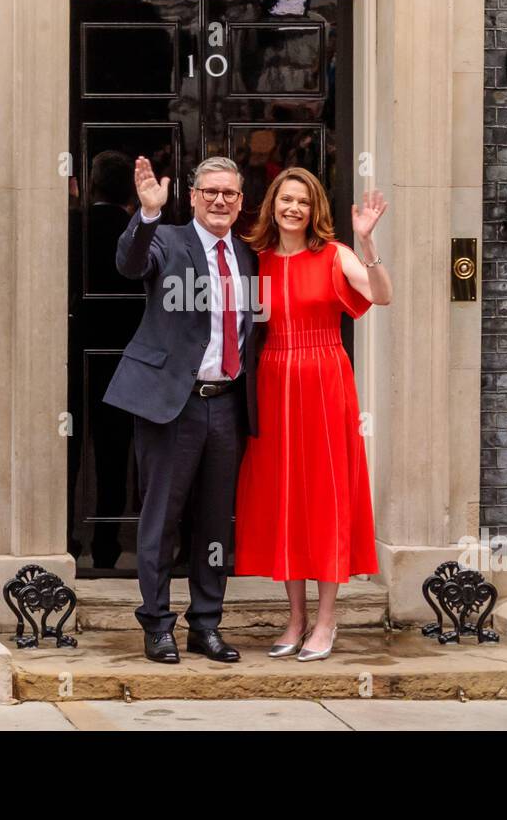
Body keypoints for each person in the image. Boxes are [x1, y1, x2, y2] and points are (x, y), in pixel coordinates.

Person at [102, 156, 260, 663]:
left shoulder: (246, 254)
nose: (219, 201)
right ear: (191, 196)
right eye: (210, 192)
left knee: (215, 522)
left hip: (227, 404)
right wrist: (147, 214)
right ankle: (156, 623)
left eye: (229, 194)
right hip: (174, 403)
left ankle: (206, 624)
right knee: (161, 517)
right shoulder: (168, 240)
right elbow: (129, 263)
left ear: (240, 201)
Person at [234, 167, 392, 661]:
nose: (293, 208)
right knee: (284, 497)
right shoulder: (255, 261)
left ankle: (326, 620)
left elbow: (381, 294)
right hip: (273, 379)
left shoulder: (333, 255)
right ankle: (295, 618)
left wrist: (366, 242)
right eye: (286, 199)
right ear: (272, 205)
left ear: (314, 208)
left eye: (303, 200)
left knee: (324, 496)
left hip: (324, 379)